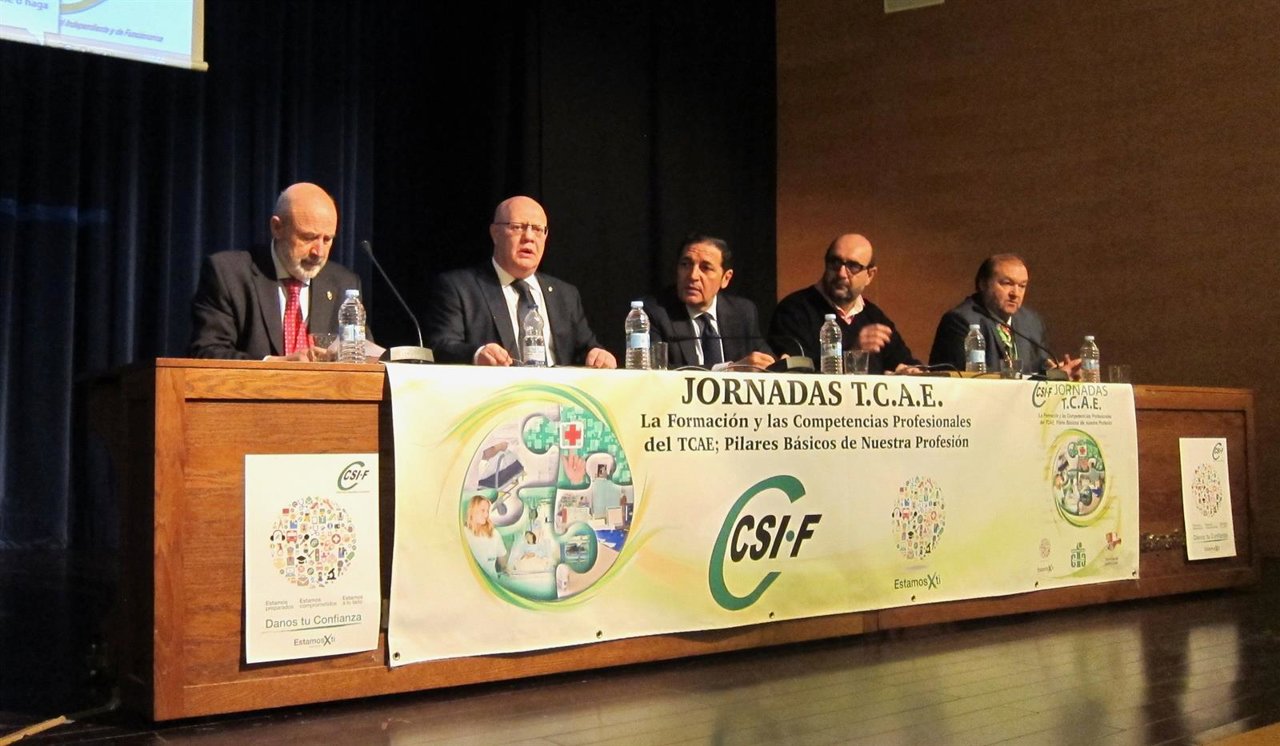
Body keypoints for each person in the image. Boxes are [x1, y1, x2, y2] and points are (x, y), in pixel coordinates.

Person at [424, 196, 616, 368]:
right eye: (518, 227)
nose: (529, 237)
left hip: (557, 399)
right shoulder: (459, 287)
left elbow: (586, 348)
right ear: (495, 233)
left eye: (538, 230)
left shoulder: (565, 294)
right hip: (495, 400)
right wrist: (477, 354)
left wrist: (598, 355)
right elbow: (441, 346)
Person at [188, 182, 363, 361]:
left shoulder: (344, 284)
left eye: (327, 239)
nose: (318, 252)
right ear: (277, 228)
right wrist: (276, 364)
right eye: (308, 237)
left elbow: (362, 357)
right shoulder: (228, 274)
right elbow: (206, 352)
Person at [768, 233, 919, 373]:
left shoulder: (875, 318)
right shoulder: (793, 311)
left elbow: (904, 364)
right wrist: (853, 353)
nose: (841, 273)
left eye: (853, 266)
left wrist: (908, 372)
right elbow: (794, 374)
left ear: (870, 275)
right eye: (835, 262)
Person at [928, 253, 1080, 378]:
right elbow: (972, 379)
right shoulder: (960, 321)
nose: (1015, 293)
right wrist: (1048, 378)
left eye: (1022, 286)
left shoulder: (1031, 322)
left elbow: (1040, 368)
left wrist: (1058, 374)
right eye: (1007, 283)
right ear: (983, 284)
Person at [642, 234, 774, 370]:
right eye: (685, 264)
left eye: (706, 268)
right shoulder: (654, 311)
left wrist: (781, 364)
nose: (693, 276)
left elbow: (764, 359)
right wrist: (730, 369)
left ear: (726, 278)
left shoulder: (742, 312)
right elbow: (655, 369)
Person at [464, 495, 507, 576]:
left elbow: (503, 563)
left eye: (487, 511)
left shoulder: (495, 534)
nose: (486, 515)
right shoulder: (464, 533)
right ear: (472, 511)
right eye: (482, 510)